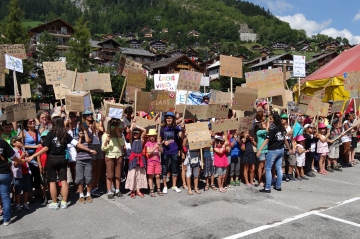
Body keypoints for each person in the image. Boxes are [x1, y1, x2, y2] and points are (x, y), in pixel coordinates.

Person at [27, 116, 96, 210]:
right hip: (62, 158)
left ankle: (55, 203)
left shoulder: (51, 134)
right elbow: (77, 143)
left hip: (52, 159)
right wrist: (89, 150)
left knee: (52, 182)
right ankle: (64, 202)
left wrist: (33, 156)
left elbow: (46, 147)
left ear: (54, 124)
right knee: (63, 181)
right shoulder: (65, 134)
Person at [259, 112, 292, 193]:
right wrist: (289, 148)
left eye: (270, 119)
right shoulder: (282, 128)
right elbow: (284, 139)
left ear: (274, 119)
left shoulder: (273, 129)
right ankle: (278, 186)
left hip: (273, 150)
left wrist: (260, 149)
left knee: (268, 168)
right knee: (279, 168)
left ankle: (267, 188)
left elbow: (267, 139)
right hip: (281, 150)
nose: (269, 120)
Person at [0, 130, 28, 225]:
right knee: (5, 196)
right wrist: (20, 161)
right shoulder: (3, 143)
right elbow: (12, 157)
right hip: (4, 172)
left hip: (4, 172)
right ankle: (6, 220)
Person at [101, 118, 125, 200]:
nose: (114, 127)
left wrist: (119, 134)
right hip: (110, 156)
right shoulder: (105, 135)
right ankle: (109, 191)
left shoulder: (119, 134)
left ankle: (117, 190)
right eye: (113, 125)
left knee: (118, 175)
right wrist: (106, 141)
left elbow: (122, 144)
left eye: (116, 125)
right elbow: (103, 148)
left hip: (118, 155)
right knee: (110, 175)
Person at [159, 112, 183, 194]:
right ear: (165, 119)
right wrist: (163, 142)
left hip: (174, 151)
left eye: (170, 118)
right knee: (165, 168)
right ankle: (165, 186)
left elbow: (181, 136)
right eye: (167, 118)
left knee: (175, 169)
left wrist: (182, 129)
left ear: (173, 119)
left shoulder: (176, 128)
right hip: (165, 151)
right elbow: (159, 140)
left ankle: (174, 186)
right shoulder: (162, 128)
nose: (169, 119)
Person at [125, 125, 147, 199]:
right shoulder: (132, 140)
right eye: (134, 133)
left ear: (139, 134)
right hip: (133, 159)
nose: (135, 134)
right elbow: (130, 131)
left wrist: (137, 126)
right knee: (133, 174)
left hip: (140, 159)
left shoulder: (141, 140)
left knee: (139, 174)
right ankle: (132, 190)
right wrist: (132, 125)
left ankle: (138, 190)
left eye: (137, 133)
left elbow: (144, 130)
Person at [75, 117, 94, 204]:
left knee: (88, 177)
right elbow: (77, 148)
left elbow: (87, 140)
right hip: (79, 159)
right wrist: (79, 137)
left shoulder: (89, 135)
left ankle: (88, 194)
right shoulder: (77, 136)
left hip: (88, 159)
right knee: (80, 178)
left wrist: (85, 131)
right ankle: (81, 195)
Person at [22, 118, 42, 200]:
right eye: (30, 121)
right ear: (26, 124)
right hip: (28, 155)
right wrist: (33, 146)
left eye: (33, 121)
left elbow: (40, 142)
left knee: (37, 174)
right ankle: (30, 194)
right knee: (29, 175)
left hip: (36, 154)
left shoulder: (37, 131)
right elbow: (21, 144)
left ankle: (37, 192)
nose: (32, 122)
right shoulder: (23, 132)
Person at [11, 136, 32, 211]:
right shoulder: (13, 152)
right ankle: (18, 204)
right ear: (14, 143)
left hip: (25, 172)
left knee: (26, 189)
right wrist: (22, 156)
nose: (20, 142)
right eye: (18, 141)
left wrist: (27, 157)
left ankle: (25, 203)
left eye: (21, 140)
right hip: (18, 174)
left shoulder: (23, 150)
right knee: (18, 190)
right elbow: (15, 164)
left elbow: (27, 160)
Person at [145, 129, 163, 197]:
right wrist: (155, 147)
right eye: (151, 136)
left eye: (153, 136)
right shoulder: (148, 143)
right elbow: (149, 153)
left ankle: (158, 189)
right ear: (149, 137)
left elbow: (161, 151)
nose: (152, 137)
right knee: (150, 176)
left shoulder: (157, 143)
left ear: (155, 136)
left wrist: (160, 145)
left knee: (158, 176)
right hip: (150, 162)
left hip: (157, 161)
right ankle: (151, 190)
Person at [36, 130, 49, 206]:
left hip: (50, 166)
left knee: (50, 181)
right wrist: (40, 166)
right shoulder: (40, 147)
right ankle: (44, 196)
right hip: (43, 166)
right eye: (43, 138)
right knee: (43, 182)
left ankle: (51, 194)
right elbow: (38, 156)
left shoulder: (50, 146)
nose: (44, 139)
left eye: (46, 138)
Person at [255, 120, 268, 187]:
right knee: (261, 166)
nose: (265, 124)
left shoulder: (265, 132)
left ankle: (265, 178)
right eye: (263, 123)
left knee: (266, 166)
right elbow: (267, 130)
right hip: (261, 150)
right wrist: (268, 122)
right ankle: (260, 180)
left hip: (266, 150)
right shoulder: (259, 132)